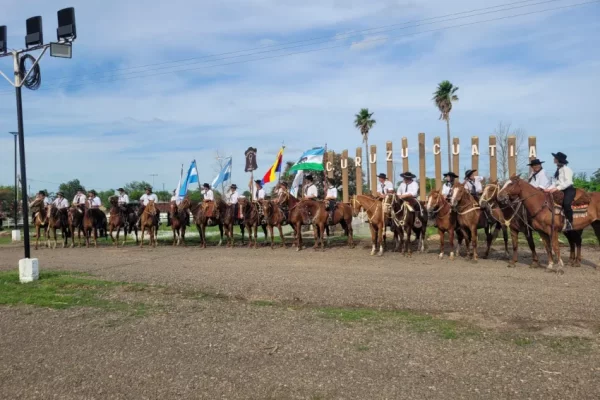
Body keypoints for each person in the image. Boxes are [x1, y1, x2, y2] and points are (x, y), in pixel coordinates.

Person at [544, 152, 575, 231]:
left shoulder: (567, 169)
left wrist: (557, 188)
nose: (553, 159)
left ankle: (569, 222)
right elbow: (555, 182)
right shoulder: (558, 169)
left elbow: (569, 182)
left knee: (566, 204)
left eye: (555, 158)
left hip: (568, 189)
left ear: (558, 160)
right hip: (559, 189)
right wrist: (549, 189)